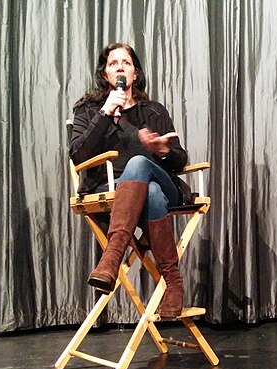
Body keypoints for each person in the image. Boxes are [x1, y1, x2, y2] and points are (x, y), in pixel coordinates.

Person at [69, 43, 188, 318]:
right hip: (110, 190)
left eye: (126, 62)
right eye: (113, 63)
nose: (120, 67)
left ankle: (111, 258)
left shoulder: (154, 111)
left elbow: (180, 160)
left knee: (140, 166)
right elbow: (78, 157)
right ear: (105, 74)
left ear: (135, 74)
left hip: (164, 181)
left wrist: (163, 150)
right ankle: (172, 281)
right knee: (152, 193)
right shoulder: (88, 110)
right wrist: (104, 115)